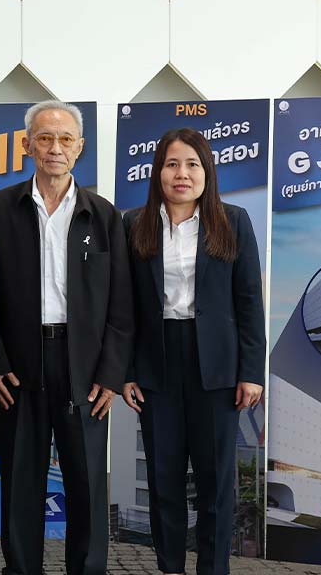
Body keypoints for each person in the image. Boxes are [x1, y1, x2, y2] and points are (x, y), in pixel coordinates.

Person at [0, 100, 133, 575]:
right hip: (19, 365)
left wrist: (111, 374)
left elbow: (122, 303)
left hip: (84, 366)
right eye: (45, 138)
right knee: (20, 480)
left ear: (80, 147)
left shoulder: (103, 215)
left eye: (65, 138)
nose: (55, 147)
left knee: (87, 481)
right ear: (27, 146)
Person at [122, 128, 264, 575]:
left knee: (215, 481)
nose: (181, 174)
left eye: (192, 164)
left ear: (207, 172)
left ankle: (213, 569)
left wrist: (251, 371)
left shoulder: (232, 221)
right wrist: (126, 370)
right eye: (172, 164)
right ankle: (169, 568)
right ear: (157, 172)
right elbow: (124, 305)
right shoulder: (134, 224)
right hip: (157, 364)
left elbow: (249, 301)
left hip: (218, 369)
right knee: (163, 478)